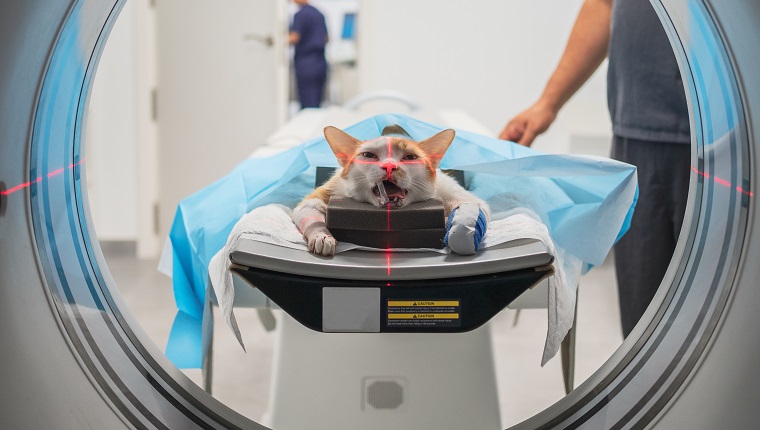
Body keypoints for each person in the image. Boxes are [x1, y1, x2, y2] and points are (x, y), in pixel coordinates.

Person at [500, 0, 690, 338]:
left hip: (729, 138)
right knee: (644, 326)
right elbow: (604, 4)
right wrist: (548, 103)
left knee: (723, 320)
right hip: (636, 132)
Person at [289, 0, 329, 109]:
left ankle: (309, 126)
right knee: (317, 102)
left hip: (306, 62)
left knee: (307, 104)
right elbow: (326, 38)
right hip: (320, 61)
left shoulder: (300, 15)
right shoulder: (319, 14)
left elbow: (294, 37)